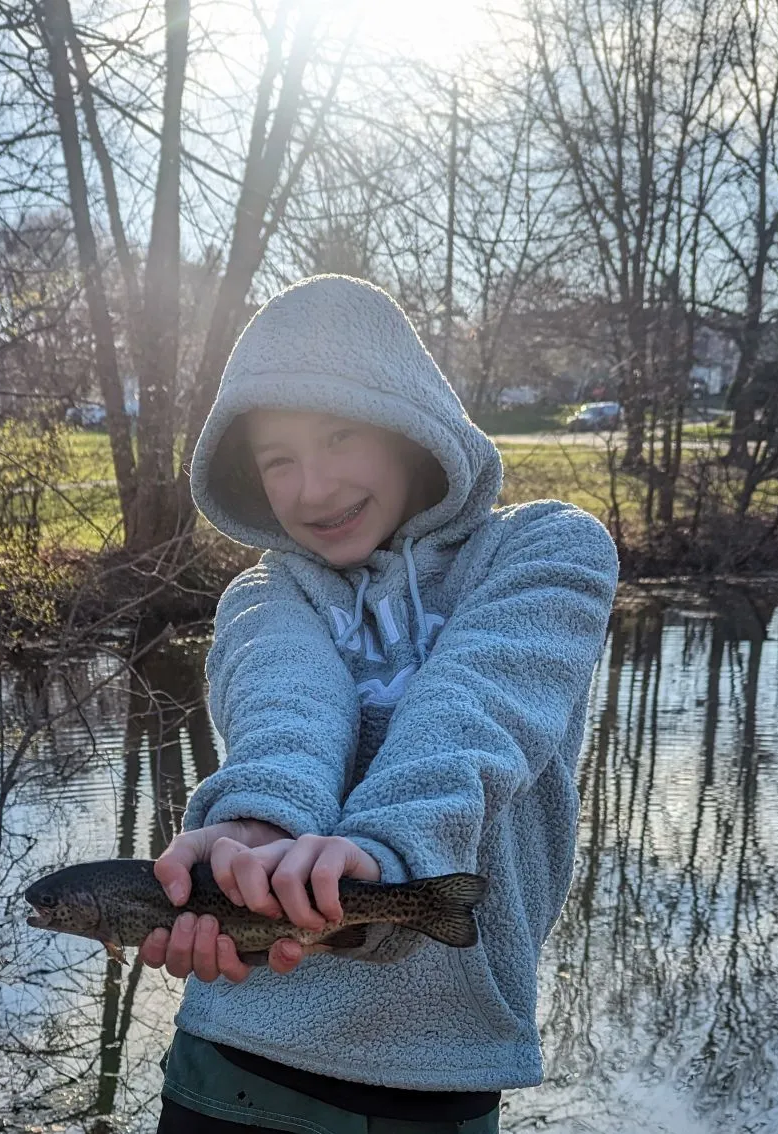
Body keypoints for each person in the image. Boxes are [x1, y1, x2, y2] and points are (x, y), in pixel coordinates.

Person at [139, 275, 619, 1133]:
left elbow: (474, 715)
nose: (311, 488)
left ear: (412, 429)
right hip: (234, 1054)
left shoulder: (548, 550)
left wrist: (381, 856)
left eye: (339, 435)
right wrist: (259, 829)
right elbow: (286, 719)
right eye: (276, 459)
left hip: (438, 1065)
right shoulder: (265, 595)